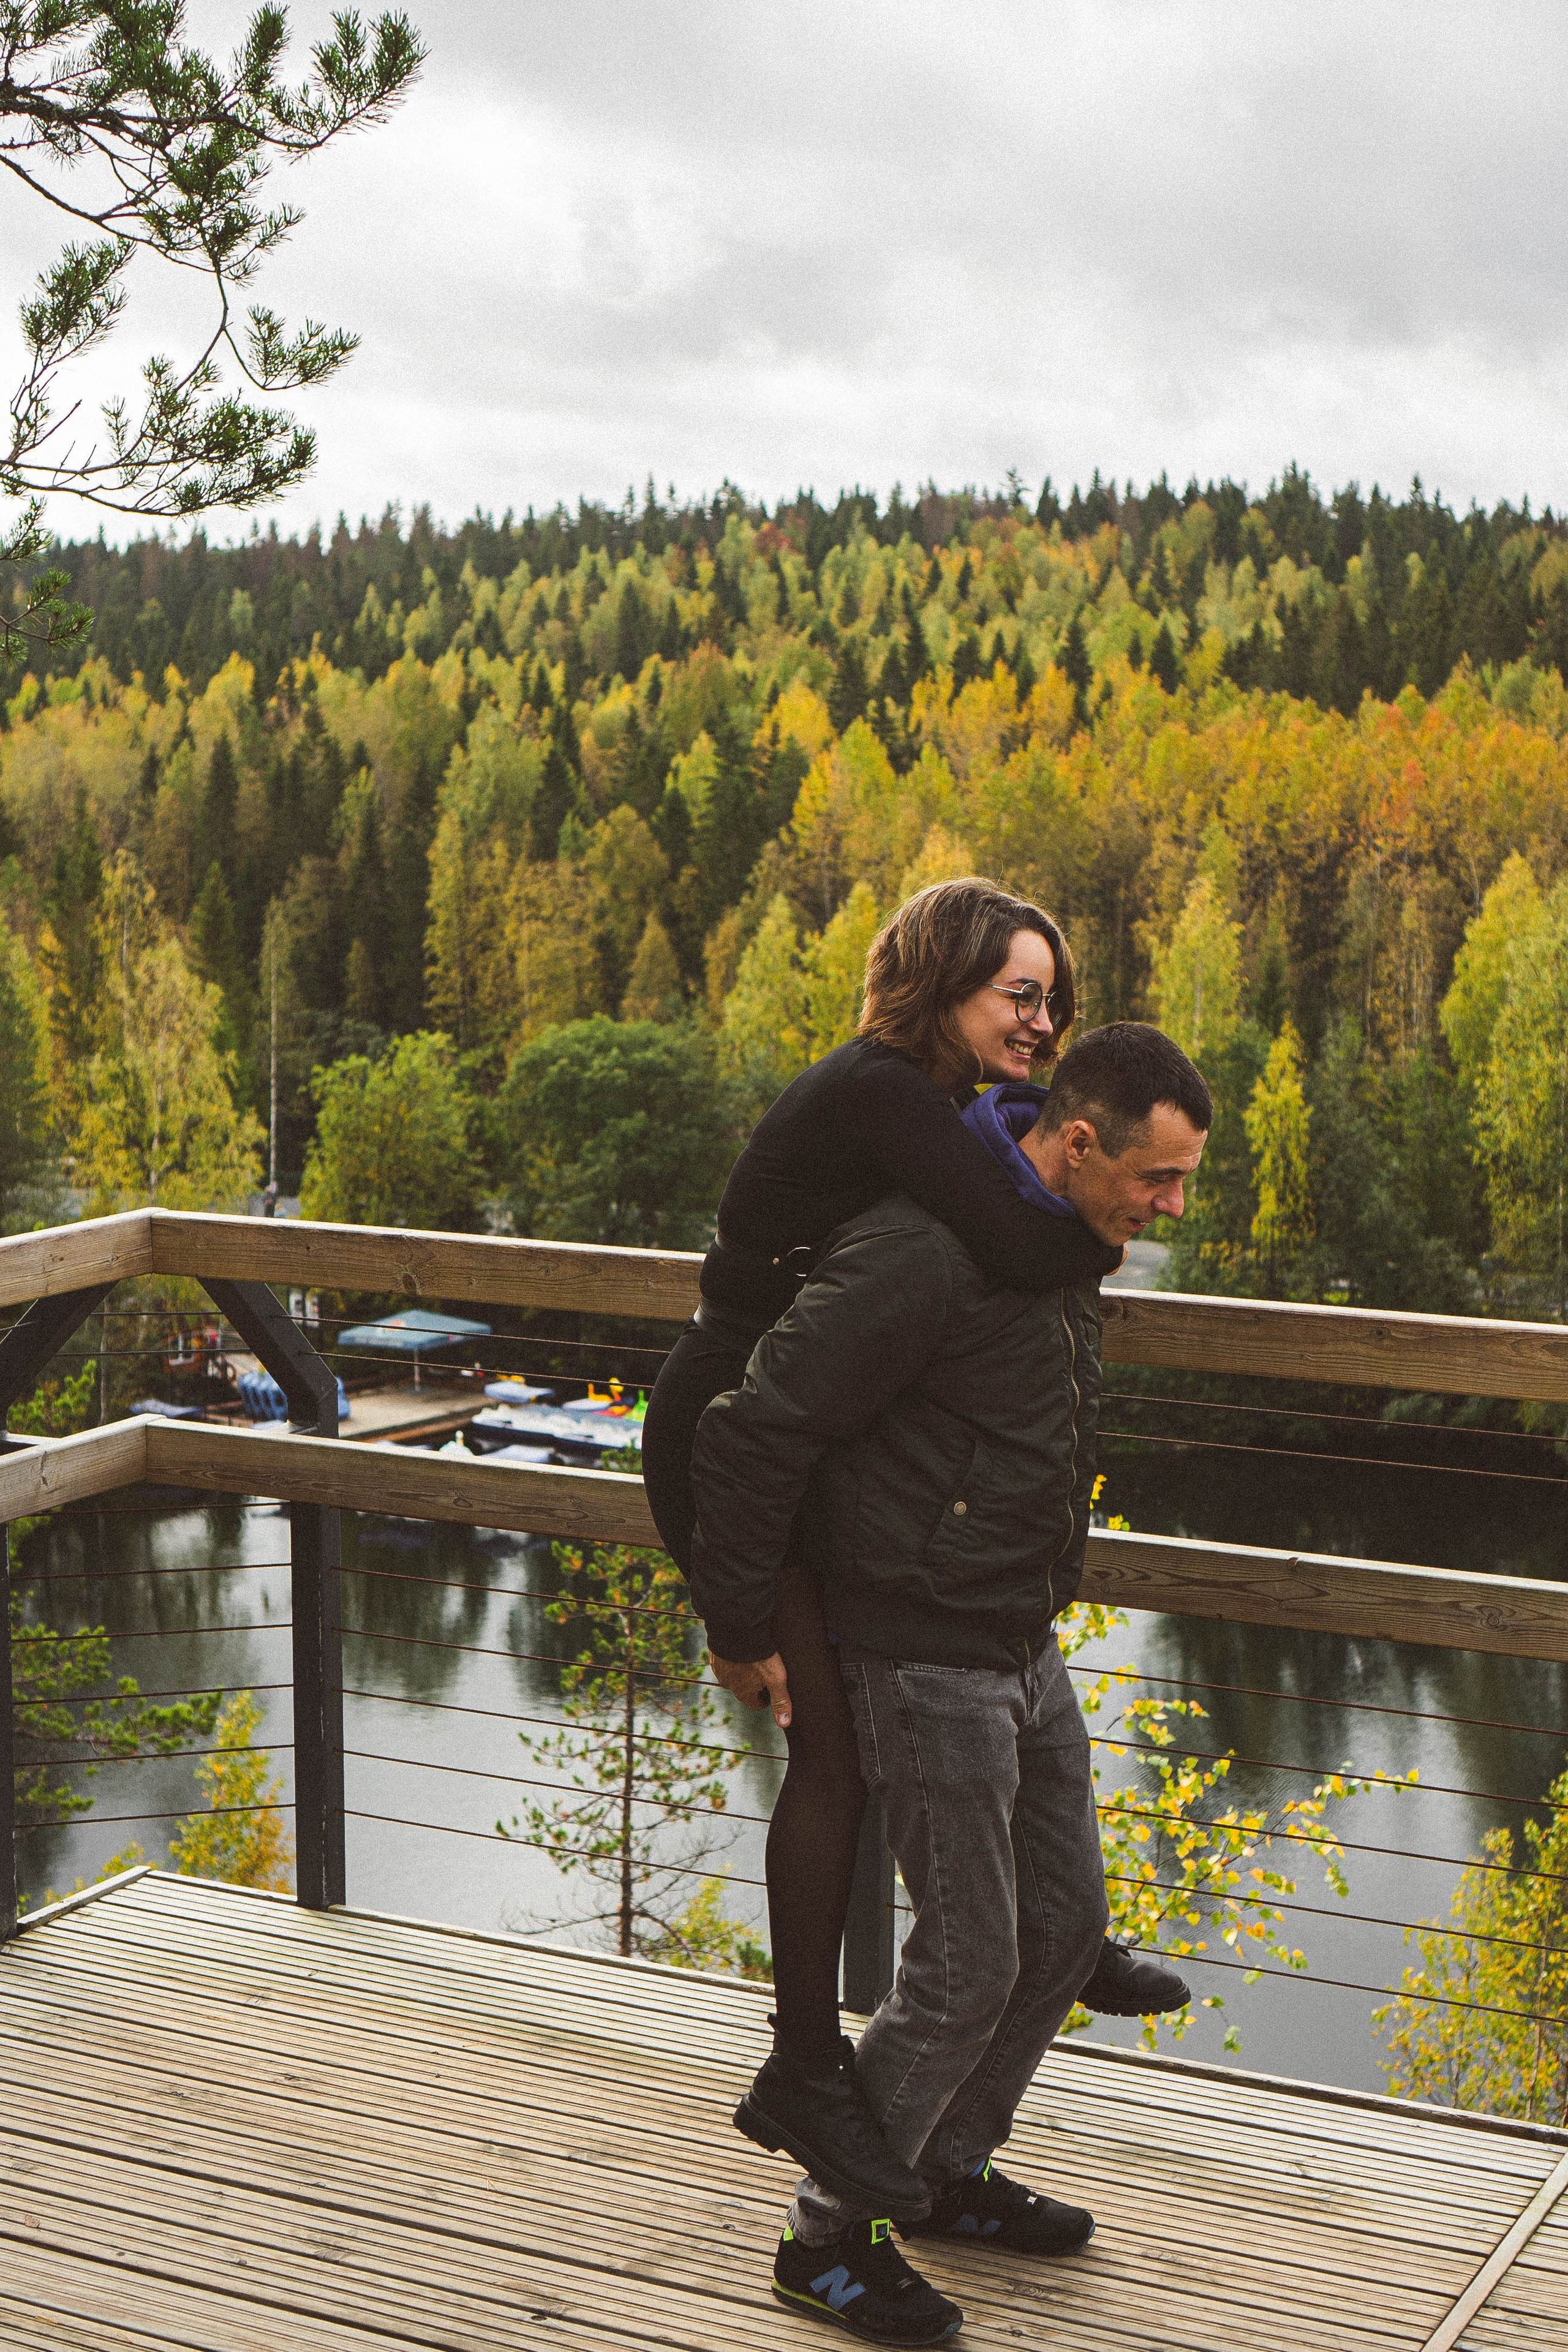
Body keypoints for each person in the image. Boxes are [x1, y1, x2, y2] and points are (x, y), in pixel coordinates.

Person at [641, 880, 1186, 2222]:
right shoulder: (887, 1089)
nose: (1040, 1019)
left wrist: (1076, 1177)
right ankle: (804, 2072)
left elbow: (1011, 1221)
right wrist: (732, 1619)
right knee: (833, 1765)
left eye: (1052, 998)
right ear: (943, 980)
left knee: (864, 1789)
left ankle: (923, 2066)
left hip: (796, 1438)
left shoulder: (933, 1110)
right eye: (1018, 993)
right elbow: (1008, 1234)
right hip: (724, 1422)